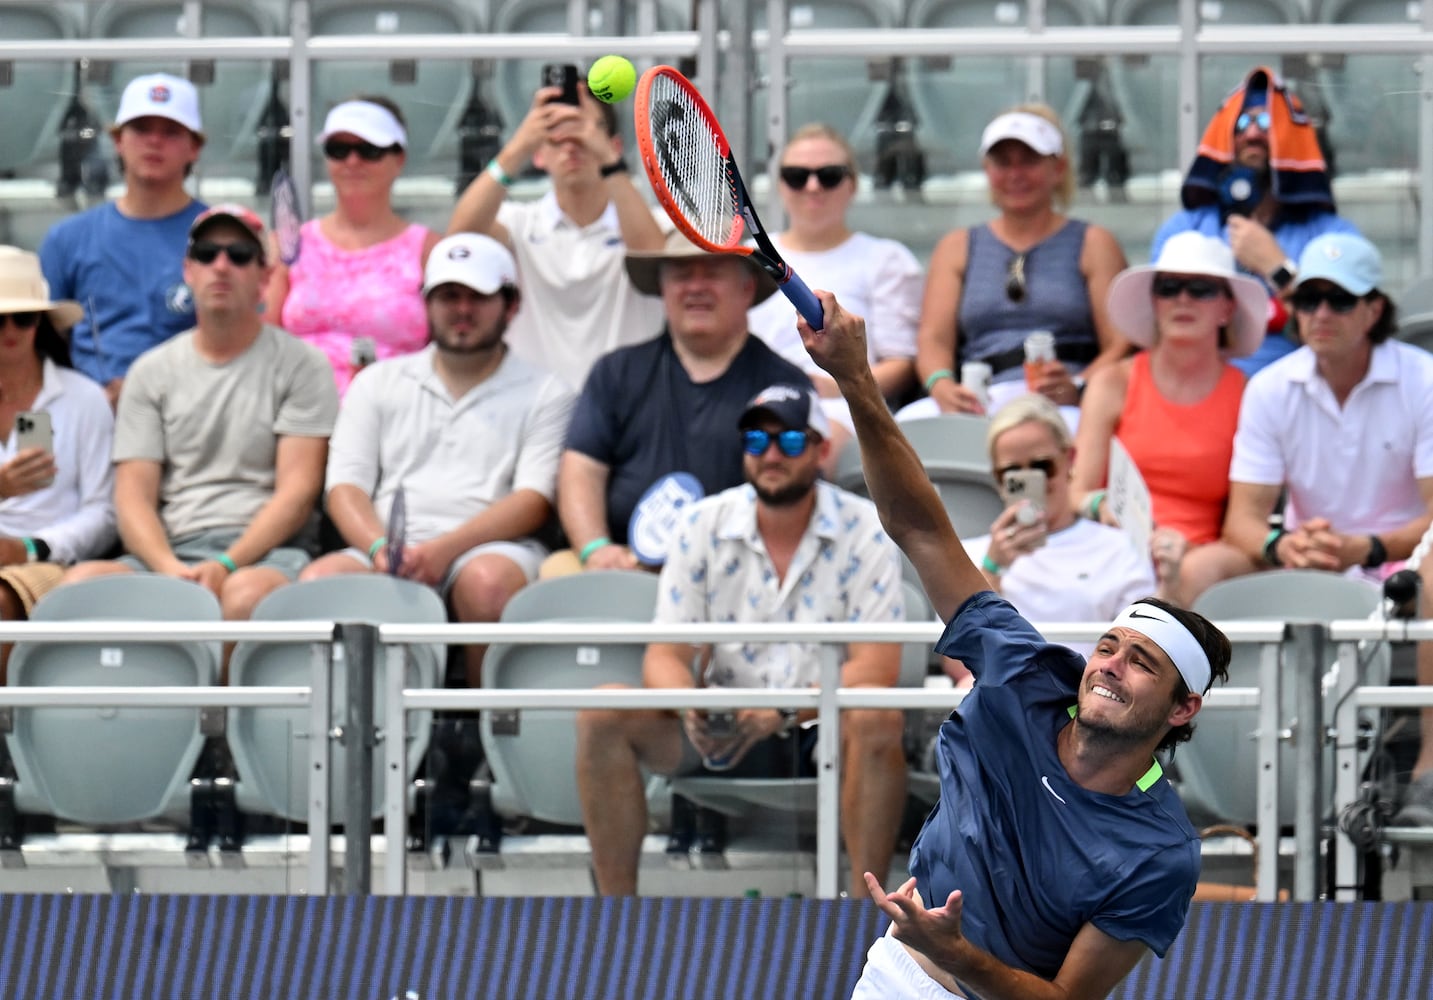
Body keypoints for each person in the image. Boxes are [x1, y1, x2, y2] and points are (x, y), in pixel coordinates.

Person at [796, 291, 1231, 1000]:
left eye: (1140, 663)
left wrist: (961, 956)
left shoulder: (1159, 853)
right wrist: (854, 378)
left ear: (1181, 710)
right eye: (1108, 647)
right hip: (896, 976)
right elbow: (921, 529)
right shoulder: (1021, 671)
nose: (1110, 667)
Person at [574, 383, 907, 898]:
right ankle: (617, 914)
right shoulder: (701, 522)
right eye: (757, 440)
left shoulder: (865, 527)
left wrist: (784, 709)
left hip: (821, 727)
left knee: (876, 713)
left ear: (821, 450)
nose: (771, 454)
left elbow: (878, 666)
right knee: (601, 711)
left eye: (790, 441)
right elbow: (665, 656)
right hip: (721, 726)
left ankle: (865, 920)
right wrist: (694, 707)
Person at [1208, 233, 1433, 826]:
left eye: (1338, 299)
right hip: (1311, 561)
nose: (1321, 314)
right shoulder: (1271, 387)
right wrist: (1285, 545)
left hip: (1400, 564)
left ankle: (1429, 768)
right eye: (1309, 300)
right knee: (1201, 568)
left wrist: (1370, 547)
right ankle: (1182, 762)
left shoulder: (1423, 376)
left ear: (1374, 310)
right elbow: (1243, 523)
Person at [300, 232, 574, 687]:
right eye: (448, 296)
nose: (462, 310)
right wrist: (379, 550)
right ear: (426, 303)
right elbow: (344, 487)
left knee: (487, 584)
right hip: (385, 548)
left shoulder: (547, 390)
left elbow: (533, 499)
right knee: (317, 584)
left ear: (510, 305)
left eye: (478, 297)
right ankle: (350, 745)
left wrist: (442, 552)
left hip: (494, 548)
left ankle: (486, 735)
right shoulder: (377, 383)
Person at [62, 205, 338, 633]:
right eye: (207, 254)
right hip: (170, 548)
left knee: (244, 596)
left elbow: (297, 495)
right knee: (77, 589)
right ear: (188, 271)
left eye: (240, 254)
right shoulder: (150, 370)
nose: (221, 266)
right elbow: (133, 496)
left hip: (270, 552)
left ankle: (219, 705)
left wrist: (226, 563)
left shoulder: (304, 365)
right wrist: (168, 567)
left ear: (265, 277)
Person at [551, 231, 812, 575]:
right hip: (623, 567)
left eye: (713, 273)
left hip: (738, 569)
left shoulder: (785, 386)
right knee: (555, 571)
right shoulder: (615, 372)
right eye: (682, 274)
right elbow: (581, 469)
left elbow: (796, 497)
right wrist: (596, 548)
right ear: (662, 289)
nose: (696, 287)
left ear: (747, 289)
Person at [1070, 232, 1265, 606]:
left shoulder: (1249, 395)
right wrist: (1101, 506)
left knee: (1195, 571)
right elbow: (1077, 493)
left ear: (1227, 307)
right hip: (1117, 543)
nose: (1183, 299)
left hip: (1206, 557)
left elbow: (1244, 522)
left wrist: (1183, 551)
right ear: (1154, 302)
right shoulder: (1112, 382)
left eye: (1201, 289)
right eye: (1169, 287)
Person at [912, 104, 1129, 423]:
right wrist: (941, 385)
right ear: (987, 170)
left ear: (1058, 169)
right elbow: (933, 338)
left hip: (1065, 402)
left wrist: (1081, 385)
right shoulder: (957, 246)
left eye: (1029, 161)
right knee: (909, 434)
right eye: (1003, 162)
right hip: (980, 398)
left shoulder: (1094, 243)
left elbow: (1121, 341)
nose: (1015, 174)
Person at [447, 75, 666, 389]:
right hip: (530, 410)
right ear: (538, 153)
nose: (571, 145)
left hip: (626, 412)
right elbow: (459, 241)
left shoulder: (650, 223)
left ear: (614, 146)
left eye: (584, 131)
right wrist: (517, 148)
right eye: (556, 135)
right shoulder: (516, 222)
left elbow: (653, 259)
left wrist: (608, 161)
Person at [1151, 65, 1362, 376]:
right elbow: (1158, 334)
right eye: (1241, 123)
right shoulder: (1183, 230)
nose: (1252, 134)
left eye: (1266, 122)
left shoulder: (1332, 236)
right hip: (1204, 394)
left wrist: (1278, 269)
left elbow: (1349, 342)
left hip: (1303, 394)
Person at [39, 72, 208, 408]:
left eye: (171, 131)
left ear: (194, 148)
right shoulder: (67, 238)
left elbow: (240, 339)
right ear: (118, 140)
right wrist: (86, 400)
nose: (154, 141)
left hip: (195, 414)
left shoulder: (220, 236)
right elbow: (41, 346)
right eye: (142, 128)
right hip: (92, 417)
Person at [746, 124, 921, 436]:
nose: (813, 186)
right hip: (751, 401)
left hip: (843, 406)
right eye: (797, 176)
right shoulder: (747, 256)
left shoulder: (886, 259)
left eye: (829, 175)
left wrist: (836, 384)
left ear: (853, 185)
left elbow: (902, 365)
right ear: (780, 185)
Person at [265, 97, 442, 396]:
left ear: (399, 159)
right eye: (339, 150)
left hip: (396, 417)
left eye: (369, 150)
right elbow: (261, 343)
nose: (352, 161)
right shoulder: (288, 244)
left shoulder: (428, 250)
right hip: (300, 418)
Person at [960, 394, 1153, 667]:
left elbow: (1142, 647)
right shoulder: (971, 555)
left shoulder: (1117, 547)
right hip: (1003, 697)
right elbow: (958, 664)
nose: (1032, 482)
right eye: (1013, 473)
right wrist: (992, 569)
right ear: (998, 479)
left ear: (1070, 459)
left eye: (1042, 466)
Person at [0, 247, 115, 652]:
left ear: (41, 324)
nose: (10, 330)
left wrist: (31, 547)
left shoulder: (84, 399)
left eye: (24, 317)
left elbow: (103, 511)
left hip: (51, 562)